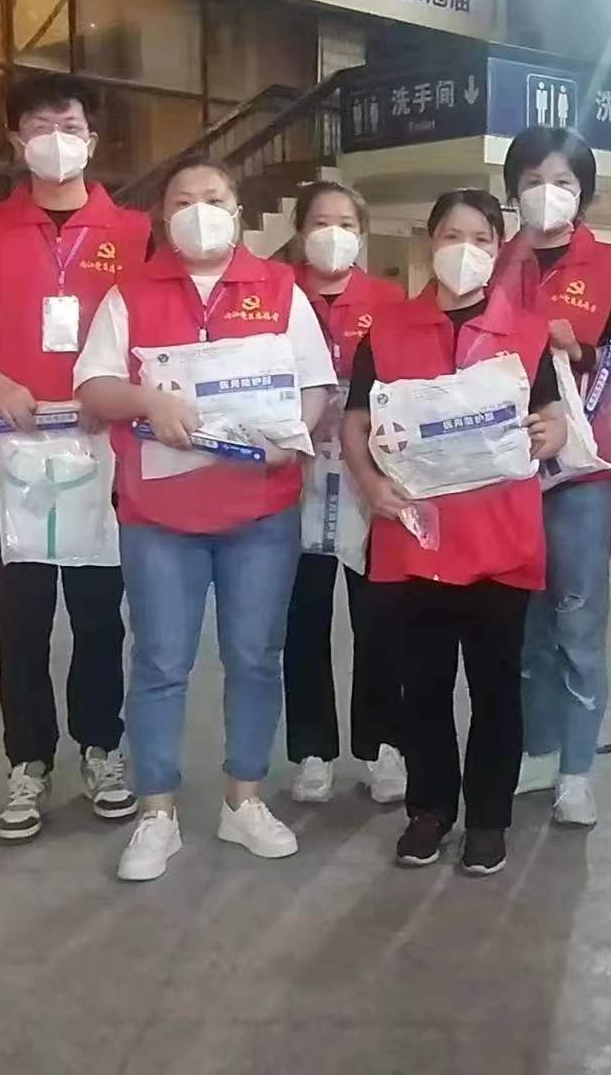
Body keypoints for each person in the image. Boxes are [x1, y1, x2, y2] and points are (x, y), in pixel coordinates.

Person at [74, 158, 339, 882]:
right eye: (184, 200)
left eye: (214, 198)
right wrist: (146, 401)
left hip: (260, 512)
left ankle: (243, 800)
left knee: (255, 657)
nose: (200, 211)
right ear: (163, 217)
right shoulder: (131, 293)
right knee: (162, 661)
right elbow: (93, 386)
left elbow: (316, 383)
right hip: (160, 516)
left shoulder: (279, 288)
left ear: (238, 210)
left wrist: (292, 437)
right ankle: (156, 812)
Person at [0, 72, 147, 842]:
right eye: (40, 126)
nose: (57, 139)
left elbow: (158, 331)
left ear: (92, 139)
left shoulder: (136, 234)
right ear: (17, 141)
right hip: (12, 448)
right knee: (20, 616)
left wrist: (116, 395)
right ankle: (28, 761)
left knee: (98, 612)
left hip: (102, 448)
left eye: (71, 125)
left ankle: (101, 748)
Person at [343, 190, 568, 876]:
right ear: (429, 243)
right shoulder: (386, 332)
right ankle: (430, 809)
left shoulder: (527, 335)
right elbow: (355, 423)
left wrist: (552, 431)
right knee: (424, 686)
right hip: (417, 538)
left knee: (497, 687)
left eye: (479, 237)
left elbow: (554, 417)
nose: (464, 249)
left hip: (500, 540)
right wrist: (371, 485)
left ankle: (490, 818)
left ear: (498, 249)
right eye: (450, 235)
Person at [500, 126, 611, 827]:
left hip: (584, 471)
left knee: (577, 620)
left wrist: (582, 353)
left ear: (583, 191)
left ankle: (578, 770)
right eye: (531, 180)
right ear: (513, 190)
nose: (546, 192)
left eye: (561, 181)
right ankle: (539, 751)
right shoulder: (495, 263)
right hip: (506, 467)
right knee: (524, 623)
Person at [278, 181, 409, 806]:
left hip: (366, 481)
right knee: (302, 619)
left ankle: (383, 746)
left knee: (379, 620)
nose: (333, 234)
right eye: (320, 222)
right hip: (292, 479)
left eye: (346, 223)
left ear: (362, 233)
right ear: (300, 231)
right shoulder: (274, 298)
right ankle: (312, 750)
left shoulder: (389, 302)